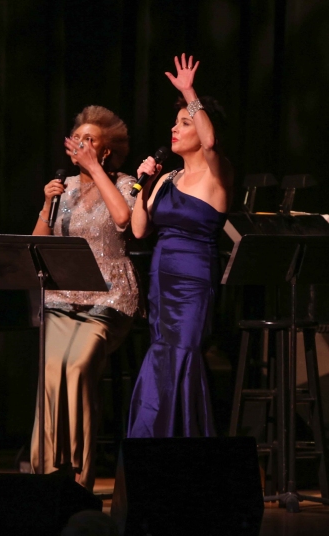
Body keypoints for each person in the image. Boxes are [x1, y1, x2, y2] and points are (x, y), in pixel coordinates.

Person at [31, 105, 140, 491]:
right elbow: (38, 246)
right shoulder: (63, 188)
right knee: (51, 370)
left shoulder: (126, 184)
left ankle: (81, 474)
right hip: (62, 296)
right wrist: (47, 204)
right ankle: (47, 472)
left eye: (90, 140)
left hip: (107, 299)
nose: (82, 144)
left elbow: (125, 220)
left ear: (105, 151)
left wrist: (95, 170)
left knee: (77, 367)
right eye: (78, 139)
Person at [126, 54, 233, 438]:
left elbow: (210, 141)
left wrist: (189, 92)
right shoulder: (168, 177)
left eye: (183, 122)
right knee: (161, 356)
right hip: (161, 279)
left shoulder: (216, 173)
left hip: (193, 280)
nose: (175, 129)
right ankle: (152, 443)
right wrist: (142, 184)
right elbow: (139, 230)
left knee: (185, 354)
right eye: (175, 121)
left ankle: (187, 446)